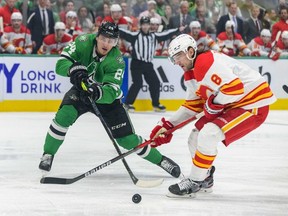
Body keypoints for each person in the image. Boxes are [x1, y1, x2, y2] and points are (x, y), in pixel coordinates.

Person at [38, 22, 181, 179]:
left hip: (107, 100)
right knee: (64, 116)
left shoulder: (117, 60)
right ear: (97, 36)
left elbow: (112, 91)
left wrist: (97, 92)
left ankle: (161, 160)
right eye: (104, 38)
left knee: (127, 140)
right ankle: (48, 154)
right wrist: (73, 70)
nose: (107, 43)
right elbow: (60, 64)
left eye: (111, 41)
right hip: (82, 91)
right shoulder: (83, 41)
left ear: (116, 42)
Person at [149, 34, 276, 197]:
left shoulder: (205, 62)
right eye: (174, 59)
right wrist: (167, 126)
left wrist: (213, 103)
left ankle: (194, 182)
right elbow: (193, 105)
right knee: (195, 137)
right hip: (234, 104)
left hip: (253, 104)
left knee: (208, 134)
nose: (177, 62)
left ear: (190, 52)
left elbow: (235, 89)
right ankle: (205, 178)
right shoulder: (190, 73)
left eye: (178, 56)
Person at [118, 16, 185, 112]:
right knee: (137, 83)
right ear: (140, 25)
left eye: (147, 24)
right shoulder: (135, 35)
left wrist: (177, 30)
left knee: (155, 83)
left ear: (149, 25)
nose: (145, 27)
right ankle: (128, 104)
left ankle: (156, 104)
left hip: (148, 64)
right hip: (137, 63)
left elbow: (166, 34)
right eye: (143, 24)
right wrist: (114, 27)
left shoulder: (154, 36)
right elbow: (124, 33)